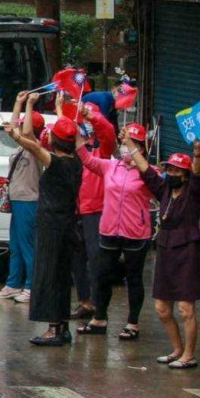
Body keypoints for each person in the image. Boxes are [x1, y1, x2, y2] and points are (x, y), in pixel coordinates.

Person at [6, 97, 82, 345]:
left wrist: (16, 136)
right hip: (68, 225)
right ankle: (62, 326)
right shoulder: (77, 161)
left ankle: (53, 329)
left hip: (52, 227)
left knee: (48, 276)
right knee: (61, 277)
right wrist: (61, 110)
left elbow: (35, 148)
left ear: (55, 141)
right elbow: (68, 129)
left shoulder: (57, 163)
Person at [76, 122, 155, 340]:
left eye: (133, 143)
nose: (126, 147)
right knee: (102, 276)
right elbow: (89, 160)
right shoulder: (111, 167)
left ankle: (133, 322)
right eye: (124, 143)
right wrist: (77, 139)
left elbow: (156, 187)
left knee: (134, 279)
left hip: (136, 233)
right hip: (109, 230)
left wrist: (133, 148)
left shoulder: (148, 172)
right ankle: (99, 318)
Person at [132, 144, 200, 368]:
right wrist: (128, 144)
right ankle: (177, 349)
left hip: (187, 251)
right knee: (162, 309)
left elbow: (197, 175)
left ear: (185, 175)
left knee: (186, 309)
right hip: (165, 249)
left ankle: (189, 354)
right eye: (170, 170)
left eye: (177, 171)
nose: (172, 174)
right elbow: (147, 172)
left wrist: (197, 155)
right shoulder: (164, 190)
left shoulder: (192, 193)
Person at [0, 101, 47, 303]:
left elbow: (24, 132)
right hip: (17, 200)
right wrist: (17, 102)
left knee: (27, 246)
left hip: (28, 200)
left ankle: (31, 286)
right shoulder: (21, 147)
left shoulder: (35, 147)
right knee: (15, 244)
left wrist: (30, 105)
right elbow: (14, 128)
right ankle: (13, 283)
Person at [69, 99, 117, 321]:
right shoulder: (75, 146)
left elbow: (107, 131)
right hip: (75, 208)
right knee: (77, 259)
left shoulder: (103, 150)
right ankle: (86, 302)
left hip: (95, 209)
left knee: (96, 259)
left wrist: (90, 115)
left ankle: (98, 304)